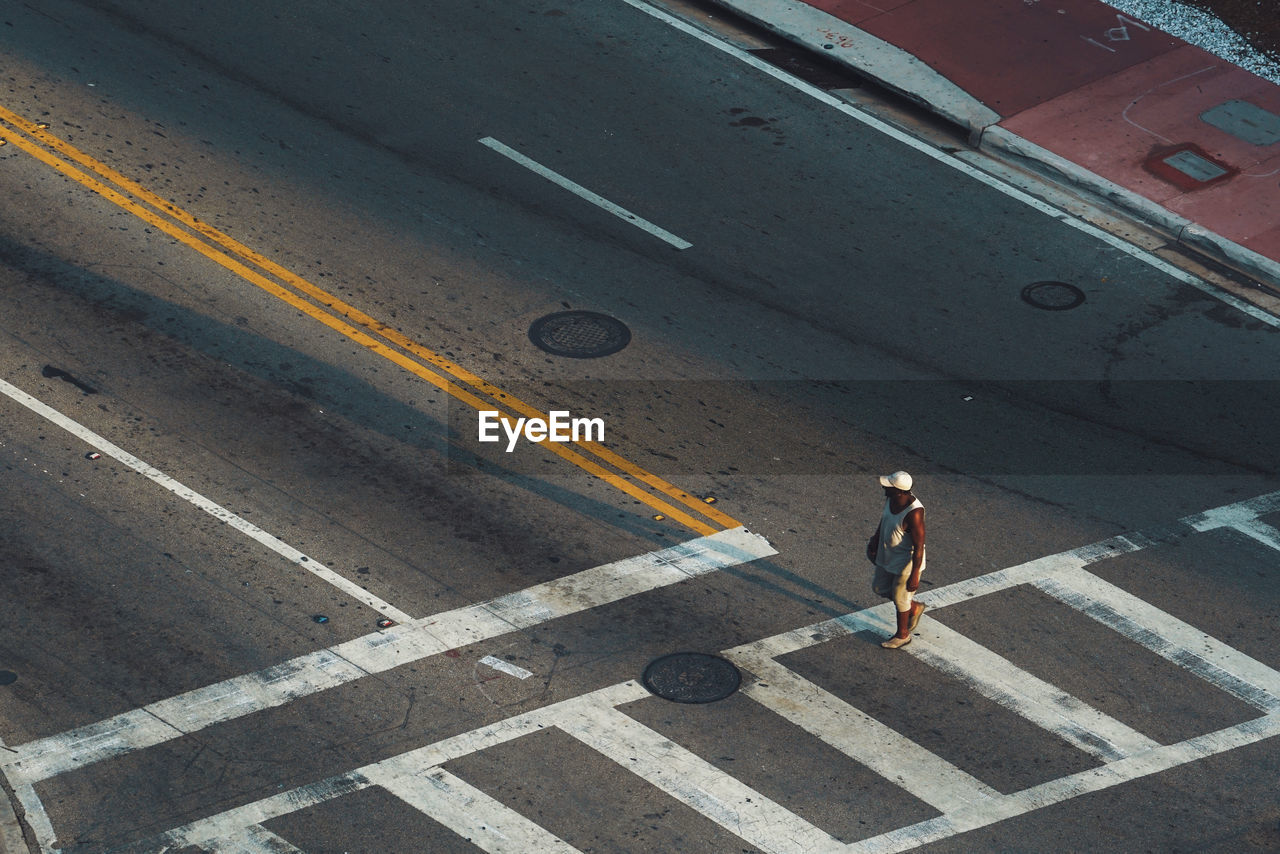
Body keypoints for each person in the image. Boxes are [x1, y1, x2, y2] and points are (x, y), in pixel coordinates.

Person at [867, 470, 926, 649]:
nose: (885, 488)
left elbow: (919, 547)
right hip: (888, 554)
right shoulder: (891, 499)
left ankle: (903, 635)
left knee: (901, 597)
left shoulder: (914, 514)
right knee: (879, 588)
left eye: (889, 487)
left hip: (907, 562)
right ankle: (914, 607)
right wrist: (874, 541)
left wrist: (915, 574)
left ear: (900, 491)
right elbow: (884, 520)